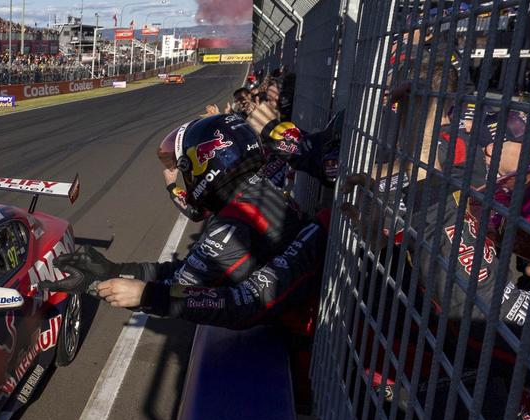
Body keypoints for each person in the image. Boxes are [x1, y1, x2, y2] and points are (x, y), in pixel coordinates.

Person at [41, 113, 327, 330]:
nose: (186, 179)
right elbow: (197, 269)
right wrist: (117, 270)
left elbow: (197, 289)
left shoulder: (233, 223)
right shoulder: (259, 191)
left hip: (302, 339)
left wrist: (143, 294)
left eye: (186, 169)